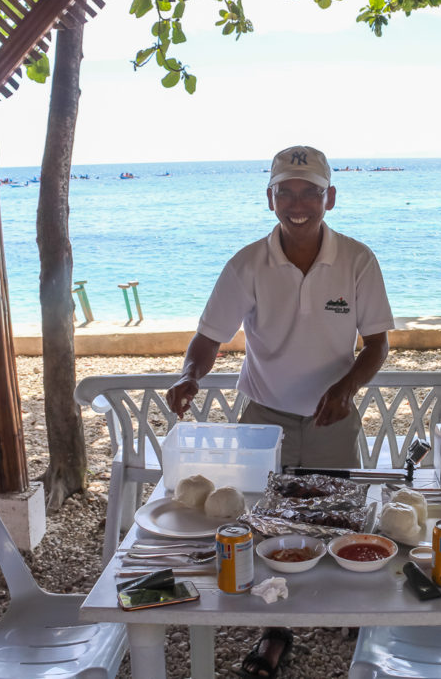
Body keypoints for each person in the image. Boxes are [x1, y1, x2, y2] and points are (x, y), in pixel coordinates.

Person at [165, 145, 395, 678]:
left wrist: (346, 388)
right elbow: (208, 336)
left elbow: (378, 345)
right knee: (264, 525)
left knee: (336, 517)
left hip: (332, 419)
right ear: (269, 198)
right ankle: (275, 631)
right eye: (285, 191)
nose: (298, 202)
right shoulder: (247, 263)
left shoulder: (358, 260)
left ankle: (348, 612)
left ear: (329, 198)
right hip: (262, 418)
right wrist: (189, 375)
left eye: (309, 191)